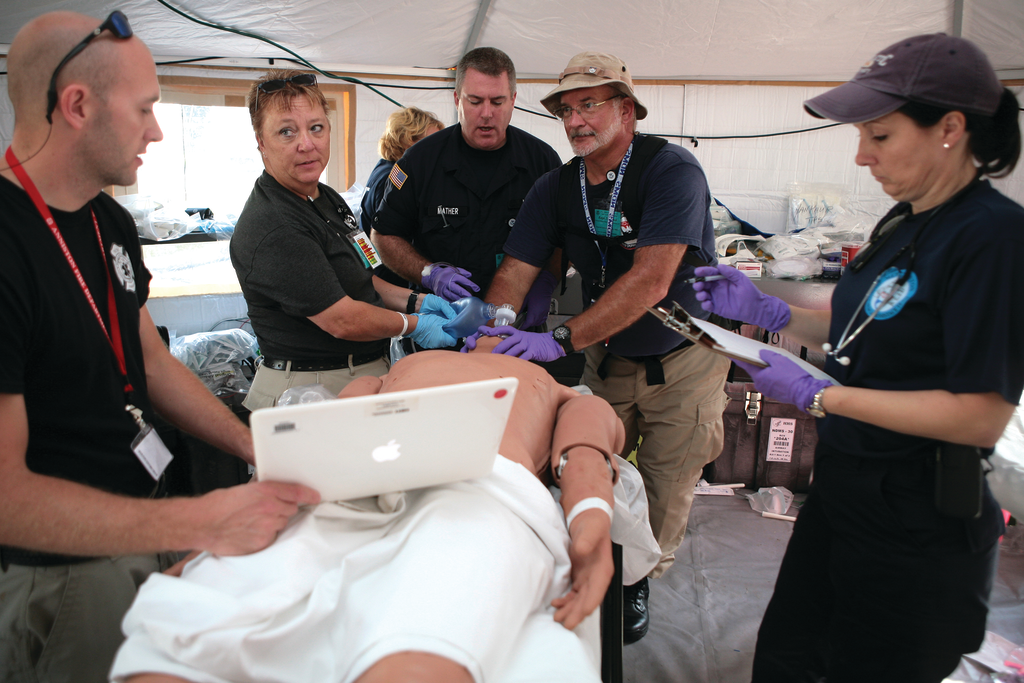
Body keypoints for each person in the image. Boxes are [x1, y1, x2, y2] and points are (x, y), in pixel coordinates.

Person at [0, 12, 321, 683]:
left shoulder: (109, 219)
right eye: (145, 108)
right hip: (67, 573)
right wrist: (204, 517)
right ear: (77, 105)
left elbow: (148, 361)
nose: (155, 128)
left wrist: (247, 444)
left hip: (150, 522)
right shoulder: (8, 244)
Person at [692, 33, 1023, 682]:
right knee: (789, 651)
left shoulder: (993, 240)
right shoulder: (904, 222)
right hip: (847, 487)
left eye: (880, 136)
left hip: (918, 517)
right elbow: (858, 327)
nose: (861, 155)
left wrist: (820, 396)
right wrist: (770, 311)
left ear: (950, 128)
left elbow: (982, 414)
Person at [109, 334, 626, 683]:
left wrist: (590, 527)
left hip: (476, 488)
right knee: (206, 626)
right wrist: (233, 530)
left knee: (422, 639)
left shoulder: (554, 387)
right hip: (351, 482)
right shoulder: (405, 366)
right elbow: (332, 429)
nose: (491, 328)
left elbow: (584, 456)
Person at [474, 51, 731, 643]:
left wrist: (556, 338)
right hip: (608, 360)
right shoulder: (556, 187)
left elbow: (649, 281)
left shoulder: (671, 171)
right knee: (592, 468)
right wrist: (491, 333)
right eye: (567, 109)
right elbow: (516, 270)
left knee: (665, 487)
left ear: (626, 110)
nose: (575, 120)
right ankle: (596, 564)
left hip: (683, 361)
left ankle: (637, 578)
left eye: (590, 104)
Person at [230, 71, 459, 410]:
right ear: (261, 141)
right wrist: (414, 324)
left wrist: (419, 301)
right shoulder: (276, 224)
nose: (306, 144)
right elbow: (342, 319)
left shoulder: (325, 198)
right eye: (286, 131)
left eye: (316, 128)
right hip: (309, 388)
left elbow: (364, 277)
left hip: (359, 374)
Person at [371, 47, 563, 319]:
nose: (486, 113)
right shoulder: (420, 161)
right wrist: (429, 273)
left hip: (514, 320)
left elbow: (562, 238)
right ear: (456, 99)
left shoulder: (542, 162)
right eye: (475, 101)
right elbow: (384, 236)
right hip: (440, 321)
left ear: (513, 100)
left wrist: (546, 280)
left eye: (497, 102)